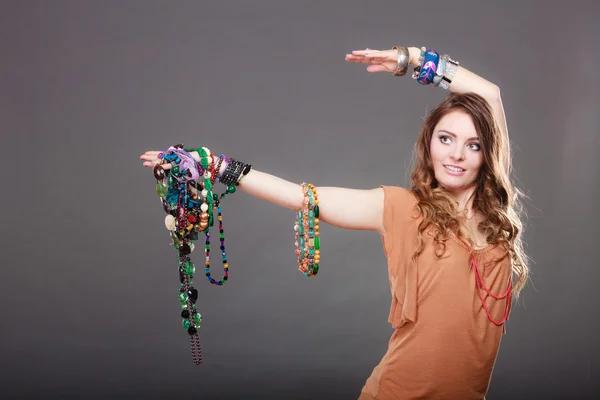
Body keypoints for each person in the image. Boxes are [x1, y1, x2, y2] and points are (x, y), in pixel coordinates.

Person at [140, 45, 529, 399]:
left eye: (473, 144)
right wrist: (214, 164)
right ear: (429, 143)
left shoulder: (495, 214)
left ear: (487, 153)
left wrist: (411, 59)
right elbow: (301, 196)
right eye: (446, 139)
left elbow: (490, 95)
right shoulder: (403, 209)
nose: (457, 154)